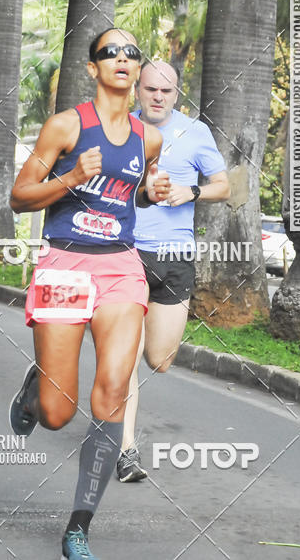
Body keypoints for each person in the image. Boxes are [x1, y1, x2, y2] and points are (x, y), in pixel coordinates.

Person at [8, 29, 170, 560]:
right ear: (92, 68)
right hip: (64, 265)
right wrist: (72, 175)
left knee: (112, 394)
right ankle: (36, 393)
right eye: (110, 53)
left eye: (131, 53)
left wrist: (151, 191)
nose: (123, 59)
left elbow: (133, 193)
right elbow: (19, 196)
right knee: (59, 413)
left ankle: (78, 527)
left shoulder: (148, 138)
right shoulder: (66, 126)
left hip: (121, 269)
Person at [116, 60, 230, 483]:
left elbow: (224, 185)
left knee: (159, 359)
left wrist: (192, 190)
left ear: (176, 94)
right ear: (138, 91)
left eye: (165, 91)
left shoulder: (195, 132)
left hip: (174, 258)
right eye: (150, 89)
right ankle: (125, 449)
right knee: (125, 358)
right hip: (125, 253)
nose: (157, 97)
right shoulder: (120, 129)